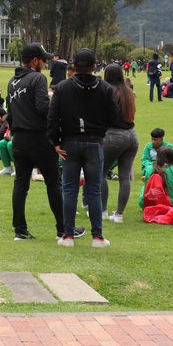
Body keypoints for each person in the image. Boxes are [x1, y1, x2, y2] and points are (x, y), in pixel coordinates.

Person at [48, 49, 119, 247]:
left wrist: (55, 142)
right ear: (94, 66)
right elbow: (114, 117)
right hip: (95, 142)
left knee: (69, 190)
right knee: (94, 190)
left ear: (74, 66)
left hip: (69, 143)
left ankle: (68, 236)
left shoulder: (62, 87)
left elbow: (52, 118)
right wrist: (100, 129)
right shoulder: (105, 88)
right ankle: (97, 237)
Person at [8, 42, 77, 242]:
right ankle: (62, 228)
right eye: (43, 60)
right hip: (38, 137)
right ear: (35, 60)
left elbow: (10, 113)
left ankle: (19, 230)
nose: (45, 65)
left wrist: (15, 131)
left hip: (19, 139)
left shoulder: (12, 81)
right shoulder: (37, 78)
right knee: (53, 183)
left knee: (20, 184)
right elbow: (42, 107)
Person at [100, 63, 138, 224]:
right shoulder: (129, 92)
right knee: (124, 177)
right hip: (131, 135)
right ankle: (119, 214)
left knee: (100, 173)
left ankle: (102, 211)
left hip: (113, 135)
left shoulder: (108, 91)